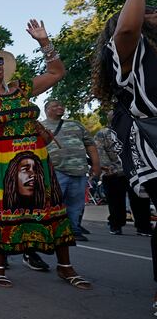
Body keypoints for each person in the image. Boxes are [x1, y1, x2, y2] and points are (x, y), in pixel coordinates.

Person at [0, 19, 91, 290]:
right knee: (1, 211)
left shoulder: (23, 89)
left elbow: (56, 73)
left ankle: (65, 266)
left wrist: (44, 42)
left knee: (50, 209)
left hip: (35, 160)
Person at [91, 0, 157, 313]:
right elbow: (127, 30)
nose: (152, 10)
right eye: (146, 9)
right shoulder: (129, 53)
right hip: (152, 145)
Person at [40, 100, 101, 241]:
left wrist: (96, 164)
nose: (60, 107)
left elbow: (90, 144)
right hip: (54, 170)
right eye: (55, 105)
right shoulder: (40, 127)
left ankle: (73, 229)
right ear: (47, 109)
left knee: (76, 203)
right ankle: (52, 229)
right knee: (54, 202)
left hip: (79, 170)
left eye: (61, 105)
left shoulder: (75, 125)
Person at [94, 114, 152, 235]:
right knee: (115, 201)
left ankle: (144, 226)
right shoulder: (103, 133)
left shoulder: (134, 129)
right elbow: (100, 152)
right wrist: (109, 169)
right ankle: (116, 225)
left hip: (135, 171)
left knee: (141, 200)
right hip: (113, 173)